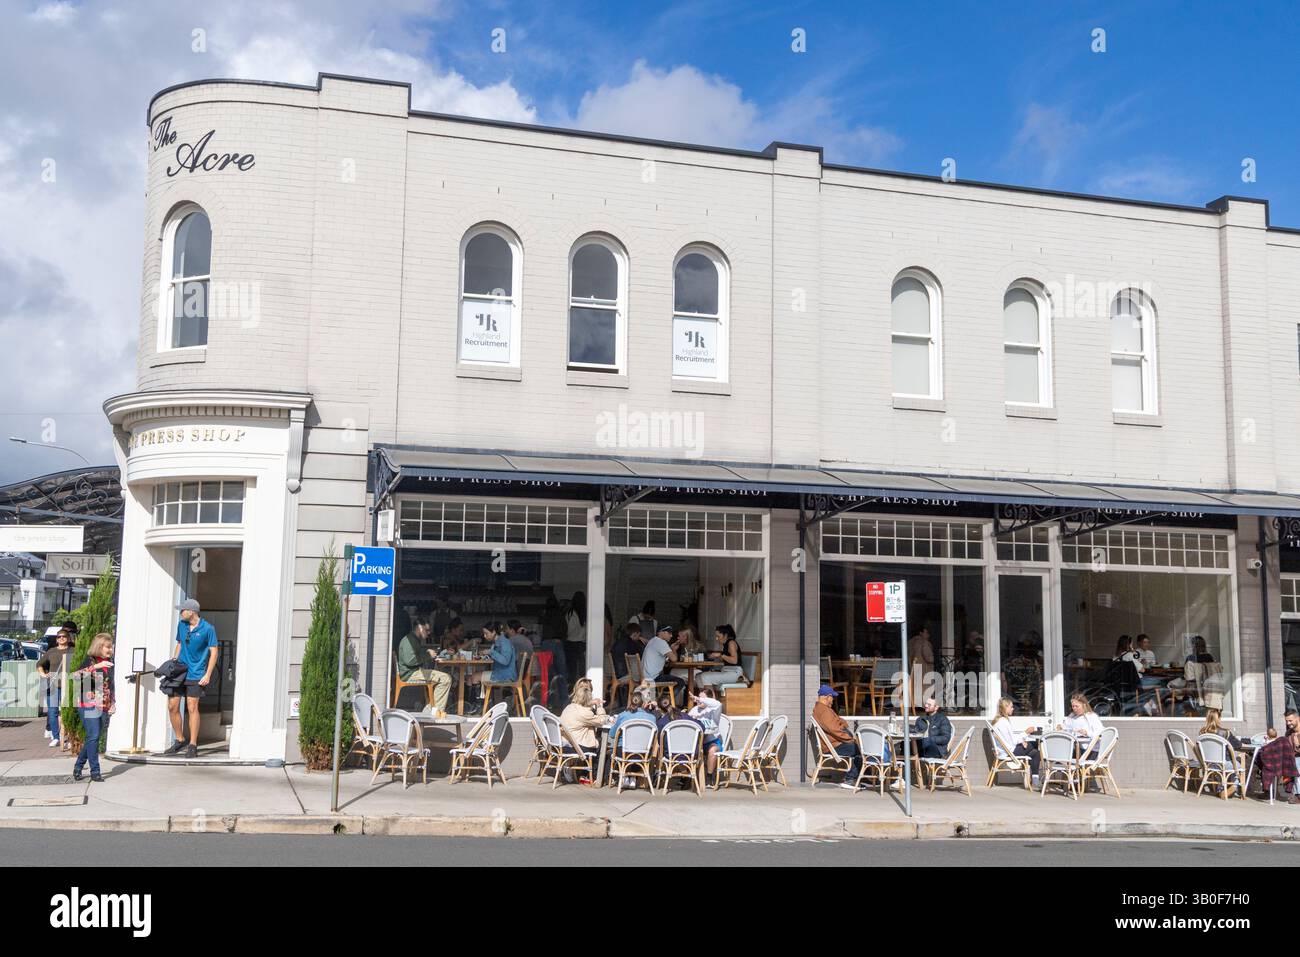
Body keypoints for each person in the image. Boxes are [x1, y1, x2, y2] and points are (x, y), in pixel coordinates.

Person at [164, 598, 218, 758]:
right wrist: (173, 662)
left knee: (192, 706)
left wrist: (207, 674)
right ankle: (180, 739)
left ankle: (193, 744)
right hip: (179, 671)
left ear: (192, 611)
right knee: (172, 706)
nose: (180, 613)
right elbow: (180, 644)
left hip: (196, 673)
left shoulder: (208, 628)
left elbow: (214, 652)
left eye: (183, 610)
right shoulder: (182, 625)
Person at [71, 633, 115, 783]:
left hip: (103, 704)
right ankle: (95, 771)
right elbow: (76, 676)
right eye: (107, 647)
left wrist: (113, 702)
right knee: (94, 736)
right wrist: (96, 666)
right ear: (99, 647)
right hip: (87, 703)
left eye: (111, 647)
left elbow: (111, 685)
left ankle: (78, 766)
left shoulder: (110, 662)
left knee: (92, 738)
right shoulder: (90, 661)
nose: (110, 649)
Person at [396, 616, 452, 714]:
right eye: (427, 630)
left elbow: (415, 656)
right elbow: (410, 661)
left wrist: (426, 652)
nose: (429, 632)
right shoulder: (409, 640)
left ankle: (430, 708)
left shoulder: (413, 639)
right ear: (420, 628)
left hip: (413, 672)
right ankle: (436, 711)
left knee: (442, 678)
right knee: (446, 678)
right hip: (410, 674)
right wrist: (428, 655)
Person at [812, 684, 861, 789]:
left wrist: (841, 724)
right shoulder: (824, 711)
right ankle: (851, 779)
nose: (833, 699)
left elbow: (840, 723)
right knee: (859, 749)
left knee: (857, 748)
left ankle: (856, 777)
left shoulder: (822, 709)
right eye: (832, 697)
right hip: (834, 746)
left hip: (834, 744)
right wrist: (850, 739)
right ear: (827, 697)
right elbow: (834, 730)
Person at [560, 678, 606, 775]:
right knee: (601, 745)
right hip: (577, 745)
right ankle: (594, 774)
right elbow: (602, 720)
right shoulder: (584, 712)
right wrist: (599, 706)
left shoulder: (569, 707)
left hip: (565, 741)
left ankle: (584, 772)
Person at [36, 629, 73, 750]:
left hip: (69, 685)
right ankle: (56, 737)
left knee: (68, 712)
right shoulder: (51, 651)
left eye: (64, 636)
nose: (61, 638)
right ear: (56, 639)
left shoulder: (74, 651)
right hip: (53, 686)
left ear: (68, 638)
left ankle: (68, 737)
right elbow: (39, 664)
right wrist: (43, 674)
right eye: (59, 637)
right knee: (52, 712)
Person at [991, 696, 1040, 781]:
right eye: (1011, 707)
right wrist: (1026, 732)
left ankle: (1035, 780)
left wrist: (1022, 741)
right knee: (1036, 744)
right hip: (1010, 752)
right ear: (1005, 707)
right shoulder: (1003, 722)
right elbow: (1013, 741)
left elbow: (1009, 739)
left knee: (1036, 752)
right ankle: (1035, 780)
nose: (1013, 709)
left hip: (1006, 750)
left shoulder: (998, 721)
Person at [643, 624, 686, 706]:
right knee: (680, 682)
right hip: (653, 677)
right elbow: (674, 659)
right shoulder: (661, 642)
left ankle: (660, 700)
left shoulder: (653, 640)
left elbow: (665, 658)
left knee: (671, 677)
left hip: (646, 675)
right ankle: (665, 703)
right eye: (669, 633)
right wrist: (673, 649)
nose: (671, 635)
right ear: (661, 632)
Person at [688, 687, 724, 779]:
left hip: (712, 741)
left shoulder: (715, 709)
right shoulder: (694, 710)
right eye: (699, 698)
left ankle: (709, 776)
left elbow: (717, 703)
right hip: (697, 742)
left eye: (703, 698)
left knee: (712, 751)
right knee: (687, 749)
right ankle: (687, 777)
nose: (699, 700)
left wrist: (697, 698)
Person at [696, 624, 744, 691]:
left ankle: (710, 700)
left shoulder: (731, 643)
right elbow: (726, 659)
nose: (716, 638)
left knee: (705, 676)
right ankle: (704, 698)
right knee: (698, 676)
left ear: (725, 635)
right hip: (727, 671)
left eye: (718, 636)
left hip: (734, 673)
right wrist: (715, 658)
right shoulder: (725, 644)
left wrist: (720, 655)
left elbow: (734, 660)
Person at [1059, 691, 1104, 756]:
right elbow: (1066, 727)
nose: (1074, 708)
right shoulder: (1072, 716)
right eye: (1073, 706)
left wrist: (1087, 733)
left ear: (1084, 705)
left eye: (1077, 706)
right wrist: (1061, 727)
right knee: (1059, 754)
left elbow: (1100, 734)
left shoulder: (1091, 716)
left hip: (1091, 750)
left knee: (1064, 756)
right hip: (1077, 748)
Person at [563, 591, 587, 685]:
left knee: (571, 668)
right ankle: (582, 686)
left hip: (570, 643)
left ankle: (572, 686)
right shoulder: (586, 613)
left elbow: (568, 629)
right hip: (582, 643)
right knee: (582, 667)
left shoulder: (569, 613)